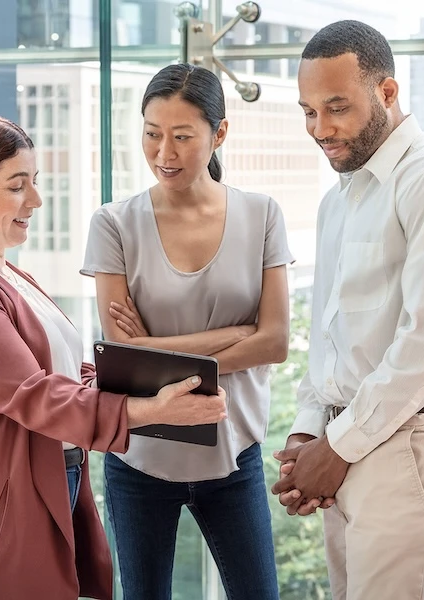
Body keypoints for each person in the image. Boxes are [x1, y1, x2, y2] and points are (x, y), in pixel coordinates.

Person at [0, 112, 227, 600]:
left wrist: (151, 382)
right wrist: (146, 411)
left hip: (46, 481)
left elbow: (62, 371)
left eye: (35, 183)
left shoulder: (7, 274)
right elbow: (32, 393)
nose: (35, 199)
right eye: (17, 186)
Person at [270, 20, 424, 600]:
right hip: (349, 439)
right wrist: (308, 433)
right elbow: (326, 334)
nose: (320, 129)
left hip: (415, 443)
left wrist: (337, 445)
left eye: (336, 107)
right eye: (307, 111)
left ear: (388, 93)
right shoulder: (338, 200)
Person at [81, 63, 293, 600]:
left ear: (219, 133)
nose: (163, 154)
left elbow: (275, 342)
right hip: (139, 457)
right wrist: (234, 334)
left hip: (233, 453)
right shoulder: (113, 223)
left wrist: (154, 347)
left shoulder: (262, 215)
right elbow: (124, 357)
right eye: (152, 134)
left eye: (182, 136)